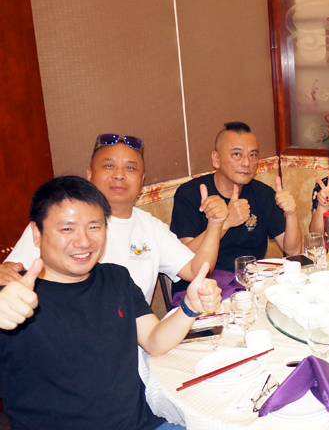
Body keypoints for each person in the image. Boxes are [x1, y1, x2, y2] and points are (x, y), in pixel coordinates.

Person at [0, 176, 222, 430]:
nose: (84, 241)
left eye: (94, 227)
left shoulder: (116, 278)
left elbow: (154, 342)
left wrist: (189, 307)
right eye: (67, 229)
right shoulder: (13, 298)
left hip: (141, 425)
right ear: (37, 233)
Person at [1, 134, 225, 303]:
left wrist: (215, 224)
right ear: (90, 175)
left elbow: (196, 271)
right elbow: (11, 276)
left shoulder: (151, 227)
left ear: (142, 180)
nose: (119, 175)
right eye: (109, 166)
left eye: (130, 168)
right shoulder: (58, 224)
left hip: (140, 341)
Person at [170, 122, 301, 276]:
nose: (246, 163)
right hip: (203, 285)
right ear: (216, 159)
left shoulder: (263, 194)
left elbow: (293, 251)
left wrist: (292, 214)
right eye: (237, 154)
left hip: (250, 283)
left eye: (253, 155)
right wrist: (224, 224)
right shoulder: (190, 193)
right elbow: (182, 258)